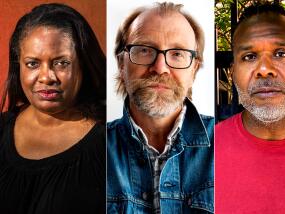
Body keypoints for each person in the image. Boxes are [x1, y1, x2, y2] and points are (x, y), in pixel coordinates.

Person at [107, 2, 214, 213]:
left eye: (177, 53)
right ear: (121, 63)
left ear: (194, 69)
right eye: (145, 50)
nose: (160, 67)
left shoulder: (227, 144)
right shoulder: (92, 150)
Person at [0, 3, 106, 214]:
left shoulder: (112, 143)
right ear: (18, 65)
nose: (46, 77)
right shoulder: (1, 128)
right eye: (32, 63)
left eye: (61, 63)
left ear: (83, 65)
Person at [215, 2, 285, 213]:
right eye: (249, 57)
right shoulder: (198, 154)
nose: (264, 70)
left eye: (280, 54)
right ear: (233, 73)